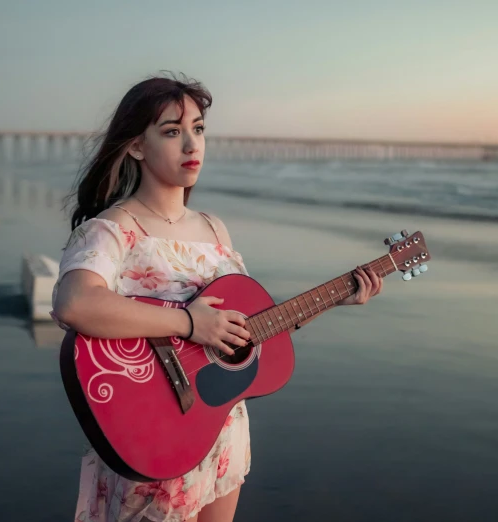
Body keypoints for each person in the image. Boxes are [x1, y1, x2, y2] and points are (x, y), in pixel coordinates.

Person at [51, 73, 383, 522]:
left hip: (222, 428)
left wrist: (334, 299)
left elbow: (243, 331)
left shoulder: (214, 229)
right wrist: (189, 323)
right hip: (155, 428)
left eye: (199, 129)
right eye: (172, 132)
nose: (192, 145)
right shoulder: (115, 229)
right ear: (135, 146)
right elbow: (75, 304)